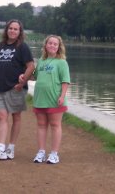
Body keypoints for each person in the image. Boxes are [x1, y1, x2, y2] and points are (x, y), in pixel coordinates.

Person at [0, 19, 35, 161]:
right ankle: (1, 148)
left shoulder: (22, 47)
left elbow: (31, 66)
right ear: (6, 30)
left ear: (20, 32)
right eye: (10, 28)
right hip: (1, 87)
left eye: (16, 29)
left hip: (16, 88)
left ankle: (10, 148)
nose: (12, 31)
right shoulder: (0, 46)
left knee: (16, 117)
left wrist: (22, 81)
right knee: (2, 116)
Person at [29, 35, 70, 164]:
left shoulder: (62, 62)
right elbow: (35, 77)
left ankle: (54, 154)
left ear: (59, 47)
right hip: (40, 98)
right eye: (50, 43)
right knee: (41, 125)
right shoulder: (41, 60)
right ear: (45, 45)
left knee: (55, 125)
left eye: (55, 44)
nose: (52, 45)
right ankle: (41, 152)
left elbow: (65, 81)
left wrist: (62, 96)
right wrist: (23, 77)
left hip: (55, 98)